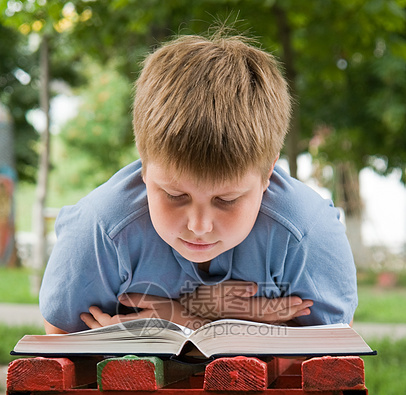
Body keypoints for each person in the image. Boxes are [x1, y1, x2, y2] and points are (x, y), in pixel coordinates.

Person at [40, 30, 357, 335]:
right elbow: (59, 346)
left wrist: (185, 317)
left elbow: (332, 360)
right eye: (175, 195)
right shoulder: (101, 228)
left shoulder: (305, 231)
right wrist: (247, 317)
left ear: (269, 172)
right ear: (144, 164)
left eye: (227, 200)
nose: (200, 225)